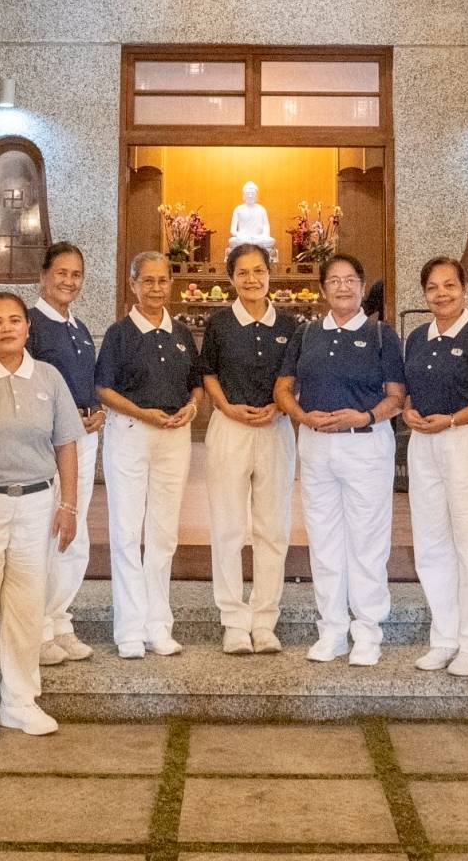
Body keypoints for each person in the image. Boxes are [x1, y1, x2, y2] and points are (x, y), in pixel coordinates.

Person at [0, 292, 84, 741]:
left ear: (28, 328)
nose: (6, 328)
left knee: (26, 606)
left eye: (14, 320)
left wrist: (68, 505)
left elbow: (66, 443)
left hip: (36, 503)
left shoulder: (48, 376)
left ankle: (20, 701)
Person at [273, 252, 404, 666]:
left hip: (366, 444)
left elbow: (397, 397)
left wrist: (364, 416)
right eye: (334, 280)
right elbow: (283, 389)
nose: (343, 287)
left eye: (350, 280)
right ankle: (331, 629)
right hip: (316, 446)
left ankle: (367, 631)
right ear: (323, 289)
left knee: (367, 541)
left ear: (362, 287)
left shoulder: (382, 335)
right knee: (325, 540)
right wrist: (301, 416)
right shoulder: (307, 334)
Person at [400, 255, 468, 677]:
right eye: (432, 287)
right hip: (424, 444)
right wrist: (409, 411)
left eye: (449, 285)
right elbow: (410, 390)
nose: (441, 293)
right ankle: (444, 638)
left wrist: (452, 420)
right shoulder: (418, 337)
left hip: (467, 440)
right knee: (432, 544)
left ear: (464, 289)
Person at [96, 250, 202, 658]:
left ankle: (159, 625)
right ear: (133, 285)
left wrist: (193, 407)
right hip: (131, 433)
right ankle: (129, 629)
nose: (156, 288)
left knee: (163, 533)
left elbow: (195, 382)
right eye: (148, 281)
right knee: (127, 531)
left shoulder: (180, 333)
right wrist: (142, 413)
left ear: (170, 284)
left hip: (174, 437)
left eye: (162, 281)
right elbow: (103, 388)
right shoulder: (120, 334)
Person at [199, 242, 297, 653]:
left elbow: (295, 377)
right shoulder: (219, 324)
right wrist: (226, 407)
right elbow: (208, 373)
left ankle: (264, 619)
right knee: (228, 526)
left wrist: (279, 406)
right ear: (231, 279)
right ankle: (234, 620)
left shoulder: (290, 324)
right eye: (243, 273)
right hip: (230, 429)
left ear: (270, 273)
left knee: (273, 528)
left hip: (275, 429)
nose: (252, 279)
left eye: (258, 271)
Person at [27, 242, 102, 665]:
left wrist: (97, 411)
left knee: (74, 530)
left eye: (76, 275)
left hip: (84, 440)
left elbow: (85, 384)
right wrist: (66, 417)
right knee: (48, 528)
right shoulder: (31, 325)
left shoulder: (79, 327)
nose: (69, 281)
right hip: (50, 443)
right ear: (43, 276)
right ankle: (36, 627)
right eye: (62, 273)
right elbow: (26, 387)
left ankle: (59, 619)